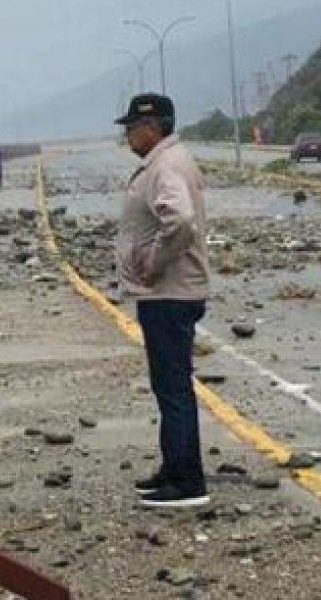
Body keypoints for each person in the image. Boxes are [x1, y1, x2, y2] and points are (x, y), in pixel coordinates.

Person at [113, 93, 211, 508]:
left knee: (172, 388)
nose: (127, 136)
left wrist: (152, 263)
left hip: (169, 291)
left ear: (151, 128)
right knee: (168, 385)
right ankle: (174, 467)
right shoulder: (165, 161)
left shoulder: (165, 165)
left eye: (131, 128)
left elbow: (180, 219)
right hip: (167, 292)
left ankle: (187, 481)